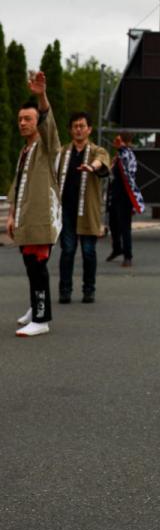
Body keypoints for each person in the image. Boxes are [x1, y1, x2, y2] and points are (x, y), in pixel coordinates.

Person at [6, 72, 61, 337]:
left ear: (38, 122)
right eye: (20, 119)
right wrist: (12, 215)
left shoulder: (46, 147)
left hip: (41, 217)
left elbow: (51, 128)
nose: (23, 123)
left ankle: (42, 319)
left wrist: (41, 96)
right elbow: (16, 186)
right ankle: (35, 306)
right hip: (26, 217)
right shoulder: (24, 151)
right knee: (30, 265)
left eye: (28, 119)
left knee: (37, 266)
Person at [55, 112, 111, 304]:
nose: (78, 129)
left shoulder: (97, 151)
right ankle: (65, 290)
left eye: (82, 126)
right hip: (66, 210)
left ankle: (89, 290)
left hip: (88, 209)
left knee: (88, 251)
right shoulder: (62, 152)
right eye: (75, 126)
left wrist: (91, 167)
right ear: (70, 130)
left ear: (89, 129)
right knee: (68, 249)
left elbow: (102, 162)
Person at [106, 134, 144, 265]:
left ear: (125, 142)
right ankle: (117, 249)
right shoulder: (118, 157)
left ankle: (128, 255)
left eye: (118, 140)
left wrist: (121, 148)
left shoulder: (128, 155)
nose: (115, 143)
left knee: (124, 227)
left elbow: (126, 163)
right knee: (113, 224)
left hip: (125, 196)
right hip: (114, 195)